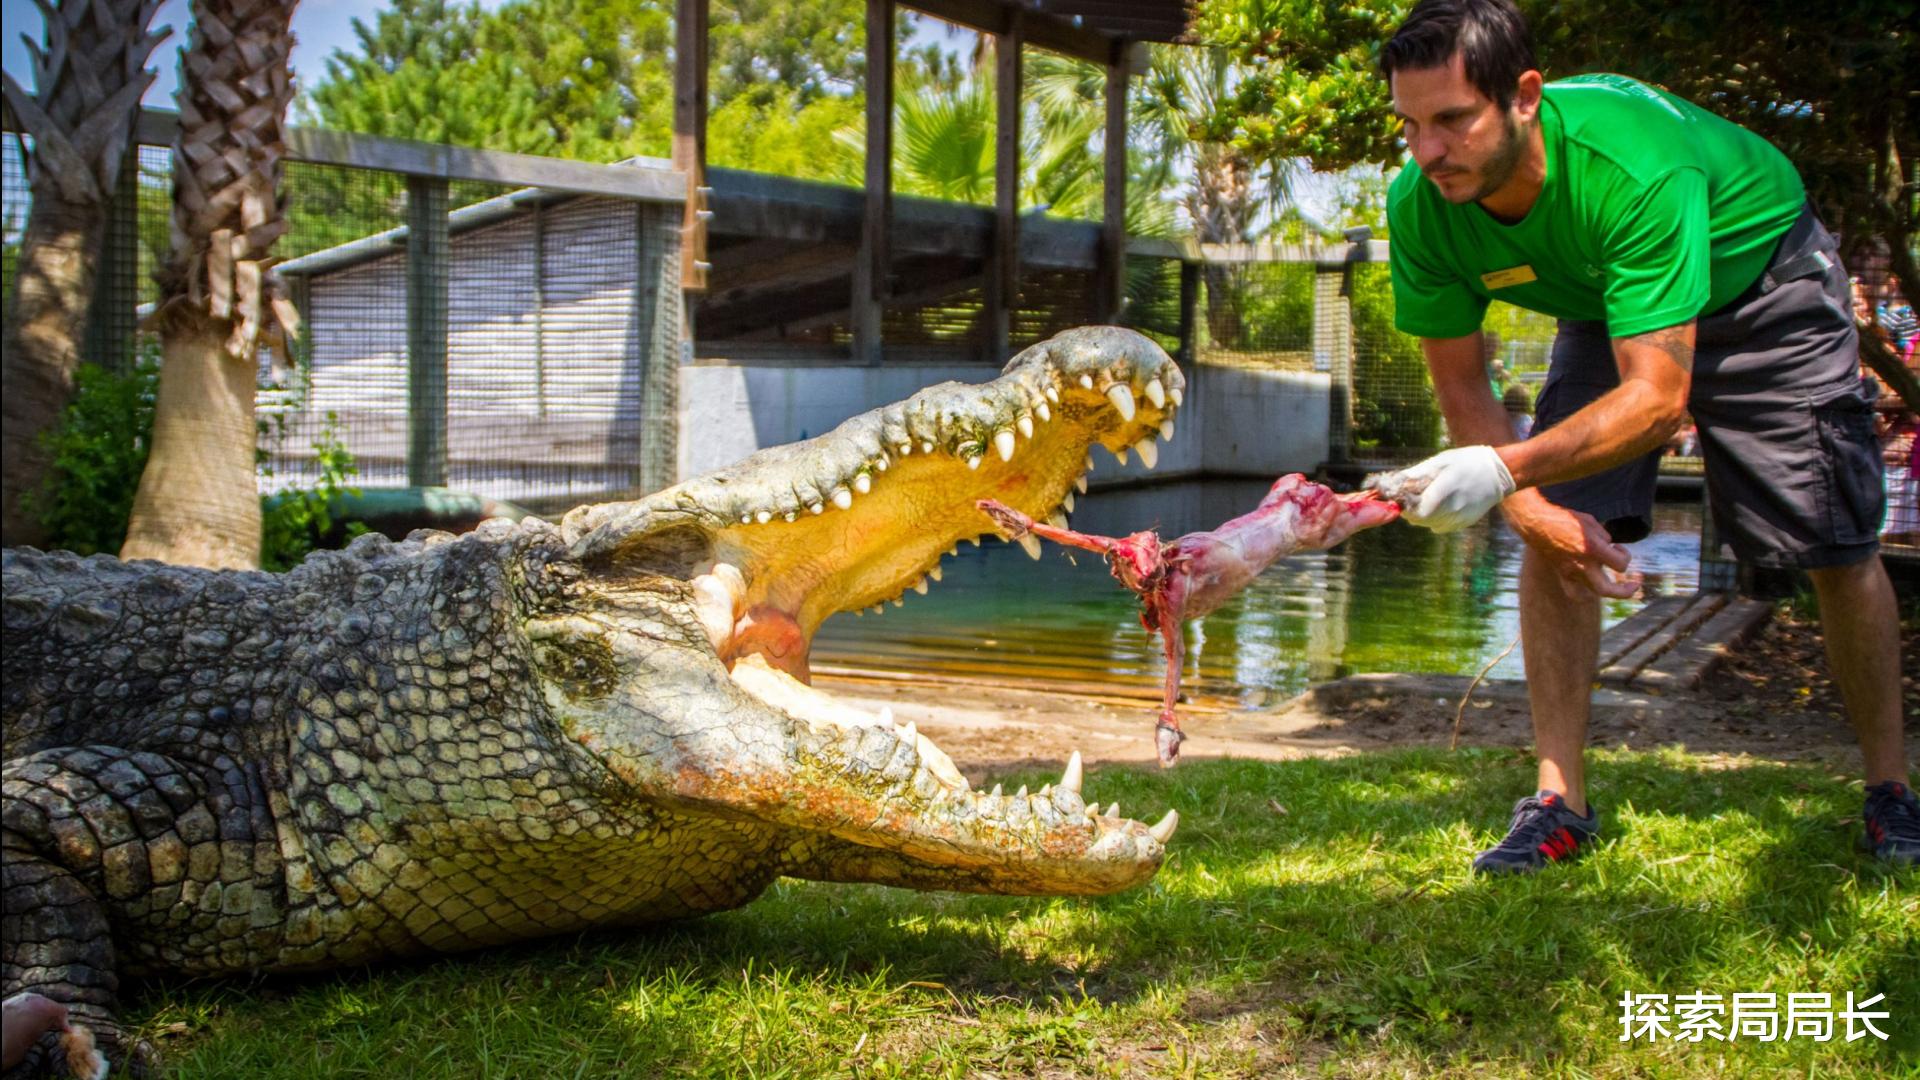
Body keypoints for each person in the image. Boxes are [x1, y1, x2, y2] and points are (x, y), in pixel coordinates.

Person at [1376, 0, 1915, 871]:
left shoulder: (1630, 166)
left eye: (1451, 120)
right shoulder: (1422, 204)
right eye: (1409, 126)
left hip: (1762, 275)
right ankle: (1559, 802)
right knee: (1556, 530)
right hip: (1606, 296)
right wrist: (1528, 506)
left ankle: (1892, 790)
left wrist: (1503, 469)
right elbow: (1463, 384)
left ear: (1523, 97)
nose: (1428, 152)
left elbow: (1658, 402)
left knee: (1834, 543)